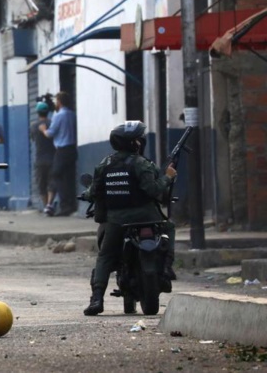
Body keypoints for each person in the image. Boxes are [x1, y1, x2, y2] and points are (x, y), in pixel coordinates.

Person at [82, 121, 177, 316]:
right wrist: (167, 177)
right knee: (169, 228)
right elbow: (154, 190)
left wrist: (86, 193)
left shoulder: (104, 164)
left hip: (116, 221)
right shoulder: (142, 164)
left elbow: (93, 193)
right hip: (148, 218)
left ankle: (97, 298)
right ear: (136, 143)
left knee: (106, 256)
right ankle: (167, 268)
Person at [39, 91, 78, 216]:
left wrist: (43, 129)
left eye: (56, 101)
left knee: (57, 175)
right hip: (72, 149)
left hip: (62, 150)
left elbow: (50, 133)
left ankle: (65, 205)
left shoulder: (58, 116)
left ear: (60, 102)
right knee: (68, 177)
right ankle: (70, 204)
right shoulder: (72, 114)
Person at [30, 102, 57, 214]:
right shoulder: (52, 123)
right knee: (52, 181)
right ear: (48, 111)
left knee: (41, 183)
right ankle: (50, 204)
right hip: (52, 157)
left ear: (37, 112)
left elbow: (33, 139)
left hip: (39, 158)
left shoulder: (33, 126)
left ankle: (46, 205)